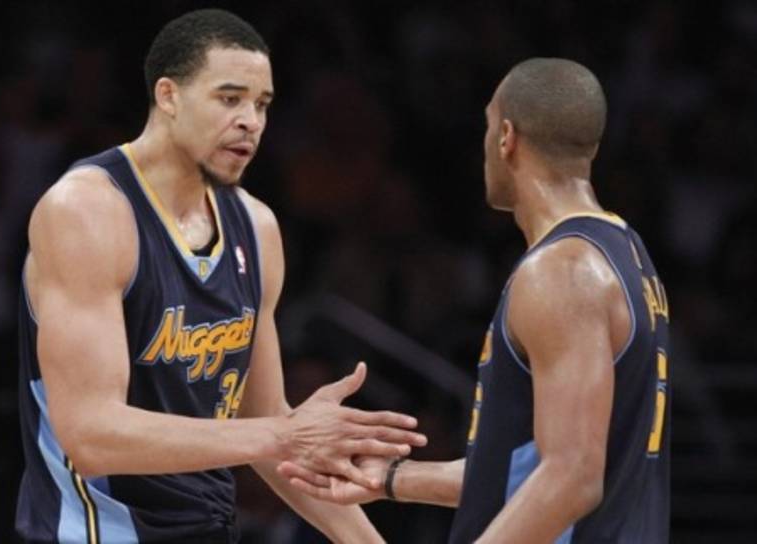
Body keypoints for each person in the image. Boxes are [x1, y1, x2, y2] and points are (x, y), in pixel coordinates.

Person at [15, 9, 427, 543]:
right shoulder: (87, 211)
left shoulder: (257, 227)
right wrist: (283, 434)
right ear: (169, 96)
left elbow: (268, 426)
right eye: (230, 99)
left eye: (262, 104)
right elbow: (90, 435)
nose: (251, 121)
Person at [279, 57, 672, 543]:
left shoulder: (562, 271)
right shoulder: (625, 252)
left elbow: (571, 477)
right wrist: (391, 478)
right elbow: (521, 475)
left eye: (488, 126)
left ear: (506, 137)